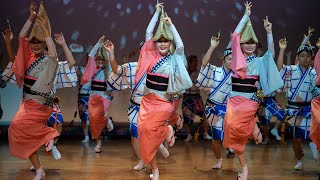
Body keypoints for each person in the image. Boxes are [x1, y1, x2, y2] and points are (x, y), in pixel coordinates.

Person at [1, 2, 77, 179]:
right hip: (27, 103)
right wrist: (30, 18)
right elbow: (20, 41)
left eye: (39, 43)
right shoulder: (29, 58)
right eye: (33, 43)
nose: (35, 46)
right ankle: (40, 169)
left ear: (45, 44)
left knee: (19, 127)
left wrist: (49, 35)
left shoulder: (50, 61)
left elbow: (55, 56)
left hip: (42, 104)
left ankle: (50, 136)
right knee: (19, 133)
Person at [222, 2, 283, 180]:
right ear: (240, 45)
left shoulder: (259, 62)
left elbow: (270, 54)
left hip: (249, 103)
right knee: (232, 131)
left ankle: (245, 168)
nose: (249, 46)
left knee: (237, 135)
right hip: (234, 102)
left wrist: (269, 32)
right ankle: (245, 165)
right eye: (246, 43)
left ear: (256, 45)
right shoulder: (234, 59)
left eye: (252, 43)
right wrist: (246, 15)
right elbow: (234, 34)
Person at [134, 2, 192, 179]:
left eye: (165, 40)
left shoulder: (175, 59)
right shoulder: (151, 54)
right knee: (142, 132)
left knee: (149, 132)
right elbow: (148, 33)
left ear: (169, 42)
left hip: (163, 104)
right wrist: (157, 12)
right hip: (147, 101)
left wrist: (171, 25)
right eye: (159, 41)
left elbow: (180, 45)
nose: (162, 44)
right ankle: (155, 167)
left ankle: (157, 168)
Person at [277, 35, 320, 170]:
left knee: (314, 135)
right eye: (302, 56)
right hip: (293, 109)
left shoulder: (314, 73)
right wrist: (282, 50)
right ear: (298, 57)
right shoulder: (291, 70)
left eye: (308, 56)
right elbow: (279, 69)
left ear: (311, 58)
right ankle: (299, 161)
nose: (305, 58)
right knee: (296, 139)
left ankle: (314, 147)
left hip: (309, 109)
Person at [196, 33, 234, 169]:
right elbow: (204, 63)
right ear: (223, 59)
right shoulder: (215, 71)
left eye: (234, 60)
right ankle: (218, 160)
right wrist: (212, 47)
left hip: (230, 110)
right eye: (229, 59)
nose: (231, 62)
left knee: (232, 134)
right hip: (214, 109)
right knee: (217, 138)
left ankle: (230, 146)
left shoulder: (237, 76)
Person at [81, 36, 114, 153]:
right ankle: (98, 141)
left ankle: (105, 118)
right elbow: (90, 56)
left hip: (104, 98)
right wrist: (98, 44)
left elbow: (111, 60)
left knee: (97, 116)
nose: (100, 61)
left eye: (102, 60)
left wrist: (108, 50)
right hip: (92, 98)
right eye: (98, 60)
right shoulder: (93, 69)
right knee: (92, 121)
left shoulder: (107, 69)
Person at [182, 54, 212, 142]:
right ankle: (188, 135)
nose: (196, 63)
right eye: (194, 61)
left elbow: (203, 83)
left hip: (196, 97)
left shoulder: (198, 72)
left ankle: (206, 133)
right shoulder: (184, 72)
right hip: (187, 97)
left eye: (196, 61)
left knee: (203, 115)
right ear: (189, 62)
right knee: (186, 117)